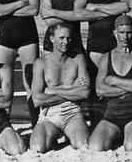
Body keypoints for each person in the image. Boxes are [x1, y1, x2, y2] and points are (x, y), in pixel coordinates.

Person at [88, 15, 132, 151]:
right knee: (95, 147)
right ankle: (118, 136)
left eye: (129, 33)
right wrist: (131, 87)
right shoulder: (106, 57)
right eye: (122, 33)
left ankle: (128, 134)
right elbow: (100, 90)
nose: (125, 37)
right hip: (112, 114)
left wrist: (114, 80)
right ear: (115, 33)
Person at [30, 23, 91, 152]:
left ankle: (68, 134)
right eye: (61, 38)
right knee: (38, 148)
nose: (66, 42)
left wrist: (50, 90)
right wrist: (72, 90)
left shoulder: (78, 59)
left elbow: (85, 93)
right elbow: (37, 99)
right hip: (49, 114)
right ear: (52, 39)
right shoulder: (41, 63)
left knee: (82, 145)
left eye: (68, 38)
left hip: (72, 111)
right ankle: (54, 136)